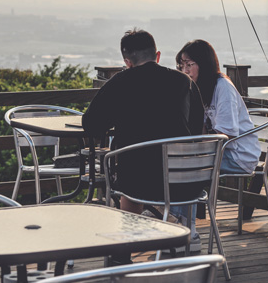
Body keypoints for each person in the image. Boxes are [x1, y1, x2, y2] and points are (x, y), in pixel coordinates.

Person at [82, 29, 205, 216]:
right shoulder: (184, 82)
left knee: (132, 171)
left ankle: (133, 237)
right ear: (157, 55)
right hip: (184, 183)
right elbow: (196, 129)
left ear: (127, 62)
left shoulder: (120, 83)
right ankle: (185, 232)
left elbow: (91, 125)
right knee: (138, 171)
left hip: (138, 185)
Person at [175, 39, 259, 175]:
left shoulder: (223, 86)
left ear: (204, 65)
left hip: (239, 156)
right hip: (218, 151)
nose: (185, 71)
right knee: (175, 159)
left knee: (183, 164)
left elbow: (227, 134)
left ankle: (198, 196)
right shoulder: (199, 88)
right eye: (181, 66)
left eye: (189, 65)